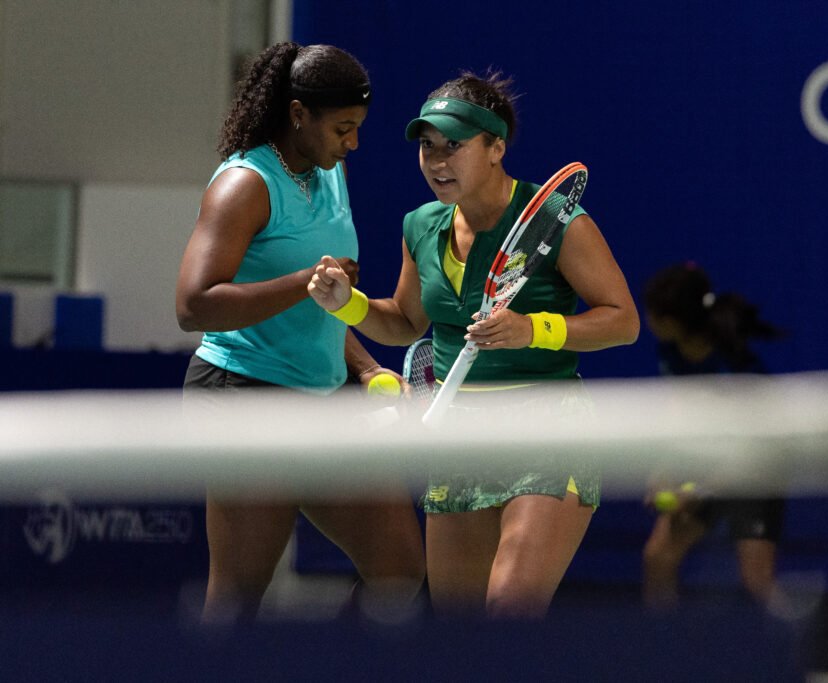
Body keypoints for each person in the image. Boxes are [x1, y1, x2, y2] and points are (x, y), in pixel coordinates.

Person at [307, 70, 640, 619]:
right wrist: (347, 303)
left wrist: (536, 328)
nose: (437, 161)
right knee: (460, 640)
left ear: (495, 148)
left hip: (547, 429)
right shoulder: (420, 226)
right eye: (427, 147)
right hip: (460, 439)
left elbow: (622, 320)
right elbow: (406, 323)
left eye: (454, 146)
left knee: (509, 612)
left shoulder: (556, 220)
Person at [175, 42, 424, 623]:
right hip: (244, 395)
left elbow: (322, 305)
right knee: (236, 602)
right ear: (296, 115)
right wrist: (303, 281)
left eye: (358, 128)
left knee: (400, 570)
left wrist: (365, 368)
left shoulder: (330, 171)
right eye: (342, 128)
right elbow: (193, 305)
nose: (352, 143)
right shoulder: (245, 184)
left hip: (325, 398)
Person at [641, 262, 787, 611]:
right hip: (706, 467)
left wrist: (698, 491)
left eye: (652, 313)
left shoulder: (736, 368)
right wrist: (663, 473)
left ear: (672, 321)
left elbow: (753, 453)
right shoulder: (670, 353)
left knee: (756, 581)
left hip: (755, 475)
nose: (646, 320)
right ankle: (662, 649)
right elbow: (679, 420)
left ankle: (790, 654)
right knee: (658, 556)